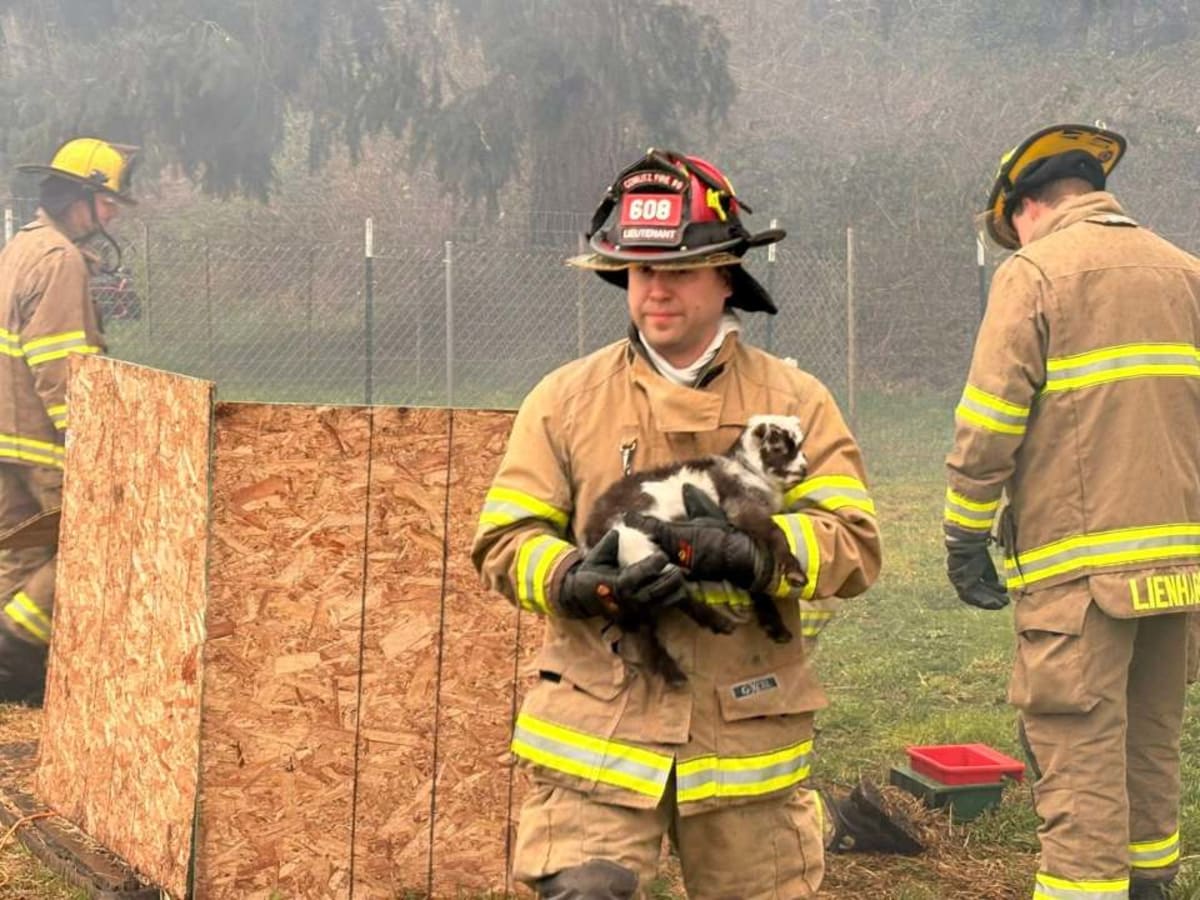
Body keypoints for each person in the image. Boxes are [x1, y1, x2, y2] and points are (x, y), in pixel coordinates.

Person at [472, 149, 884, 899]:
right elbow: (505, 539)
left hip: (745, 737)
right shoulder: (566, 401)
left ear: (726, 274)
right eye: (639, 270)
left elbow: (852, 543)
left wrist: (756, 554)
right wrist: (573, 579)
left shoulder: (789, 406)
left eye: (680, 270)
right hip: (597, 733)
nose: (655, 289)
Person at [944, 123, 1200, 900]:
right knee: (1149, 744)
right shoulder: (1186, 272)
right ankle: (1151, 883)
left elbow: (990, 421)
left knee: (1079, 755)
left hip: (1079, 582)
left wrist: (964, 533)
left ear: (1026, 207)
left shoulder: (1034, 273)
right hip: (1180, 577)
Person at [0, 137, 138, 704]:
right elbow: (59, 363)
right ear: (76, 197)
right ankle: (13, 649)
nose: (111, 214)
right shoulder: (60, 260)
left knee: (21, 552)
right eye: (105, 201)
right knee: (90, 546)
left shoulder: (21, 245)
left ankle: (12, 677)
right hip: (43, 443)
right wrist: (87, 440)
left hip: (7, 439)